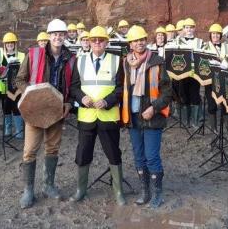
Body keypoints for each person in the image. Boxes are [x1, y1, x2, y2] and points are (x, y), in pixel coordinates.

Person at [15, 18, 76, 209]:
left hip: (56, 111)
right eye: (54, 34)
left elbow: (73, 86)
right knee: (30, 150)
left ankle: (49, 185)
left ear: (65, 36)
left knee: (52, 149)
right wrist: (33, 95)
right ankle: (28, 190)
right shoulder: (33, 54)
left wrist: (68, 103)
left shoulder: (71, 59)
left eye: (61, 34)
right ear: (49, 36)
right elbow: (20, 80)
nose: (58, 37)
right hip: (35, 110)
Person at [69, 25, 126, 205]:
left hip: (108, 116)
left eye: (101, 40)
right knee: (83, 153)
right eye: (94, 40)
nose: (97, 43)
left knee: (113, 153)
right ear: (89, 42)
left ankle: (118, 192)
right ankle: (81, 190)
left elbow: (120, 89)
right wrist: (82, 97)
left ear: (106, 42)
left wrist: (107, 101)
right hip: (87, 117)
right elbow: (74, 87)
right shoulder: (80, 61)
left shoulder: (117, 61)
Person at [121, 26, 172, 208]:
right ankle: (145, 191)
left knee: (152, 156)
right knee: (138, 156)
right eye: (135, 40)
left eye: (142, 39)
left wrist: (154, 108)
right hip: (132, 116)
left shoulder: (157, 61)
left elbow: (167, 92)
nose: (139, 42)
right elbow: (122, 89)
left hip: (152, 117)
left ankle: (157, 193)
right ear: (130, 44)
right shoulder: (126, 62)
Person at [165, 17, 204, 127]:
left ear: (194, 29)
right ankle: (186, 121)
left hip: (194, 75)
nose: (189, 30)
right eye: (187, 28)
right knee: (183, 96)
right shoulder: (177, 41)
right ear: (184, 29)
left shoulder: (199, 42)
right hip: (181, 74)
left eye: (191, 28)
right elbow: (168, 51)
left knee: (195, 96)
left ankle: (195, 121)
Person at [203, 23, 228, 133]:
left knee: (225, 103)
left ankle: (227, 128)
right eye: (213, 34)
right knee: (211, 103)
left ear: (221, 35)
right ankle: (213, 128)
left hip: (224, 78)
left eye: (217, 34)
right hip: (210, 79)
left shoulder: (227, 46)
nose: (215, 36)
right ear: (210, 35)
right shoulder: (205, 46)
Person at [2, 32, 26, 139]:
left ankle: (19, 130)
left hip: (17, 87)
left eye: (12, 43)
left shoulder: (21, 55)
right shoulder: (1, 56)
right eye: (8, 43)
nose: (10, 45)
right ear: (5, 44)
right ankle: (8, 128)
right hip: (4, 87)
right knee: (6, 107)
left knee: (17, 107)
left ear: (15, 44)